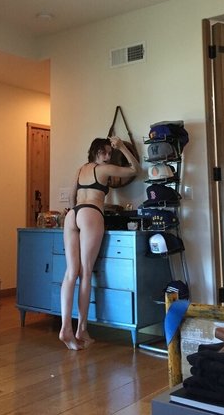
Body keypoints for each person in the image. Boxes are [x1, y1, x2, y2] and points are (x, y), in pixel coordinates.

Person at [59, 136, 140, 350]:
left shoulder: (80, 169)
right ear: (96, 152)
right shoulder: (103, 169)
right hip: (91, 213)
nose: (108, 156)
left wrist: (77, 211)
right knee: (85, 273)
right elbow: (135, 169)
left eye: (110, 153)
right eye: (104, 152)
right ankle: (81, 329)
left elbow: (71, 198)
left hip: (72, 215)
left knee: (70, 273)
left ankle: (66, 327)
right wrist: (122, 147)